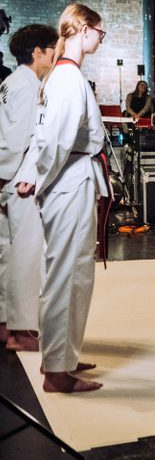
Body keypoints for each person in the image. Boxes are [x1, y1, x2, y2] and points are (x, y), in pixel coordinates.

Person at [11, 3, 111, 392]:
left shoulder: (61, 76)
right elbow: (54, 140)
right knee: (65, 276)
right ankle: (56, 371)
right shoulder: (68, 79)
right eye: (99, 33)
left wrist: (32, 175)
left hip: (68, 178)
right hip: (68, 181)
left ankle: (63, 356)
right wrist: (36, 177)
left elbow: (43, 138)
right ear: (83, 29)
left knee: (74, 274)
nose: (100, 40)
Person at [0, 24, 57, 352]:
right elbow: (20, 138)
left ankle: (6, 322)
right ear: (37, 51)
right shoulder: (28, 85)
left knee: (7, 254)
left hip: (9, 176)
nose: (54, 55)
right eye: (51, 48)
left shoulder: (11, 82)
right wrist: (7, 174)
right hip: (19, 178)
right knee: (25, 255)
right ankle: (22, 330)